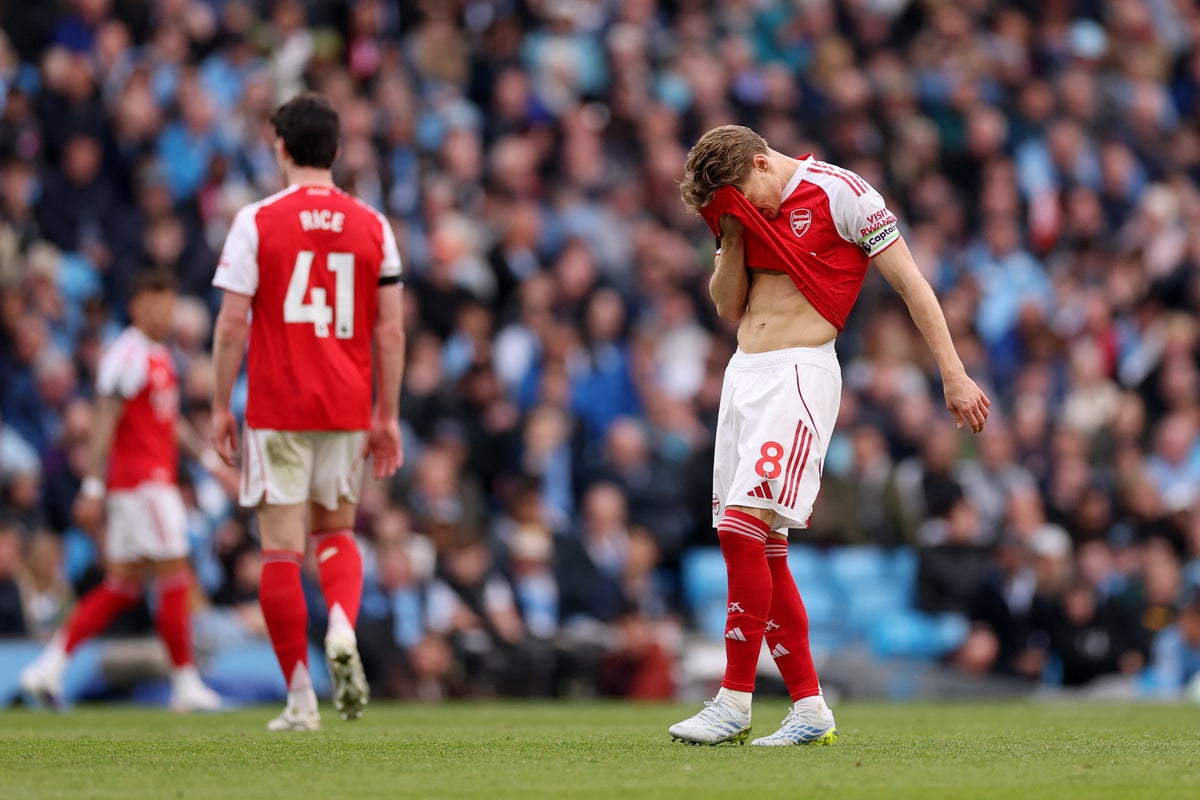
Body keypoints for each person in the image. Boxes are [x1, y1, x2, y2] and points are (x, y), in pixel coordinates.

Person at [668, 125, 990, 746]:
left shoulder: (842, 193)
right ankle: (810, 707)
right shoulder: (740, 211)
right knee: (762, 546)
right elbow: (728, 307)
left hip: (799, 373)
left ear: (762, 162)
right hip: (743, 374)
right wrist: (731, 233)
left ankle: (734, 700)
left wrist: (952, 373)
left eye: (744, 195)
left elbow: (912, 283)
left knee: (740, 528)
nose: (747, 207)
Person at [210, 92, 405, 732]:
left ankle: (300, 699)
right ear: (337, 150)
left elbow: (232, 323)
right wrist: (387, 415)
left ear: (281, 148)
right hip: (346, 407)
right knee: (337, 535)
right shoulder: (373, 225)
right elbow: (390, 331)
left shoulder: (257, 221)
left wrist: (219, 405)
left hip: (278, 406)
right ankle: (342, 625)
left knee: (280, 553)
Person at [19, 270, 223, 713]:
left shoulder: (161, 354)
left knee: (123, 588)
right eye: (154, 305)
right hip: (143, 484)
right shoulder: (126, 354)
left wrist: (209, 462)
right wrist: (93, 484)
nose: (162, 314)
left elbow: (169, 423)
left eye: (168, 305)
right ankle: (185, 683)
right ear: (135, 307)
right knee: (175, 575)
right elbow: (105, 417)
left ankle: (47, 667)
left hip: (147, 483)